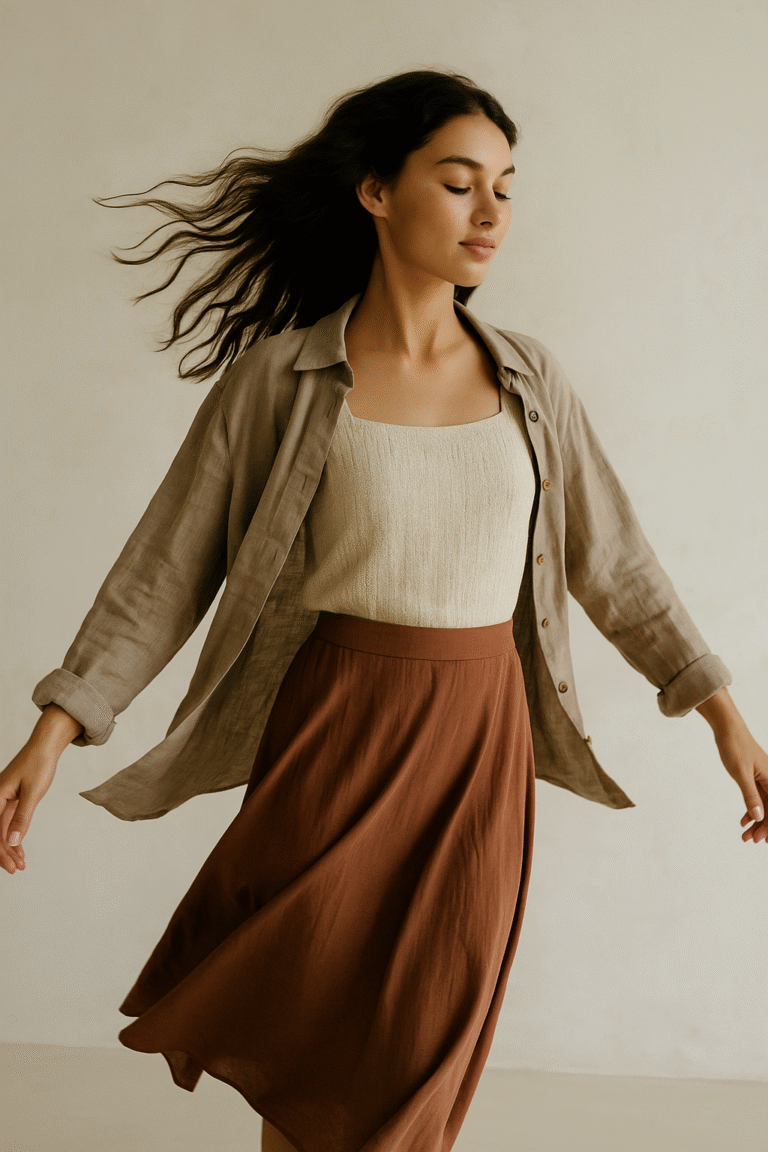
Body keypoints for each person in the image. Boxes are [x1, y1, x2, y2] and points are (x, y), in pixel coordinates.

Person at [1, 68, 766, 1152]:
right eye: (459, 184)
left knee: (417, 1066)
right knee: (315, 1069)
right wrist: (54, 729)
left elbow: (617, 564)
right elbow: (165, 565)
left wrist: (725, 717)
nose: (492, 213)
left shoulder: (530, 379)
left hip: (476, 748)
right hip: (333, 737)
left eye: (506, 186)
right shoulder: (282, 377)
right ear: (376, 191)